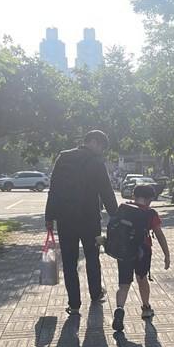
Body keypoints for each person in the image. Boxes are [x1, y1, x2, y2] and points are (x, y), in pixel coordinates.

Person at [45, 129, 118, 315]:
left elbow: (54, 188)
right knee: (92, 258)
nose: (102, 150)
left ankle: (74, 303)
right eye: (102, 146)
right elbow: (106, 192)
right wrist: (116, 217)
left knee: (69, 262)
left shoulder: (63, 157)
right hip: (90, 219)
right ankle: (95, 294)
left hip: (65, 220)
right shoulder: (96, 162)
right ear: (93, 142)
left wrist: (49, 217)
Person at [111, 184, 171, 332]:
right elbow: (159, 234)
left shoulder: (123, 208)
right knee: (142, 279)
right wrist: (166, 254)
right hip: (142, 250)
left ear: (134, 196)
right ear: (150, 198)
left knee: (124, 284)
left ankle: (119, 309)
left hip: (124, 250)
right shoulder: (150, 213)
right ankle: (146, 308)